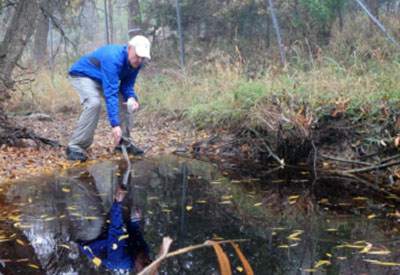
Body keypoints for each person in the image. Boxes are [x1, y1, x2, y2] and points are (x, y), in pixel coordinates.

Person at [66, 35, 151, 161]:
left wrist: (132, 98)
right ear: (129, 49)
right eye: (137, 56)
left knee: (126, 103)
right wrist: (115, 125)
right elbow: (111, 94)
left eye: (142, 57)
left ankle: (123, 144)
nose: (139, 60)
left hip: (102, 77)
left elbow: (127, 85)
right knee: (94, 103)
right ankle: (75, 147)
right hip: (83, 75)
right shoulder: (113, 58)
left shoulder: (136, 64)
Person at [78, 184, 152, 271]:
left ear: (136, 269)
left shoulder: (119, 260)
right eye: (150, 261)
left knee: (98, 219)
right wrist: (135, 219)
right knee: (127, 209)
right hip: (107, 234)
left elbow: (115, 230)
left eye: (144, 263)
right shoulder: (145, 250)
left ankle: (81, 181)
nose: (146, 259)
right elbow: (134, 231)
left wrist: (118, 202)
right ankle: (122, 180)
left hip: (91, 241)